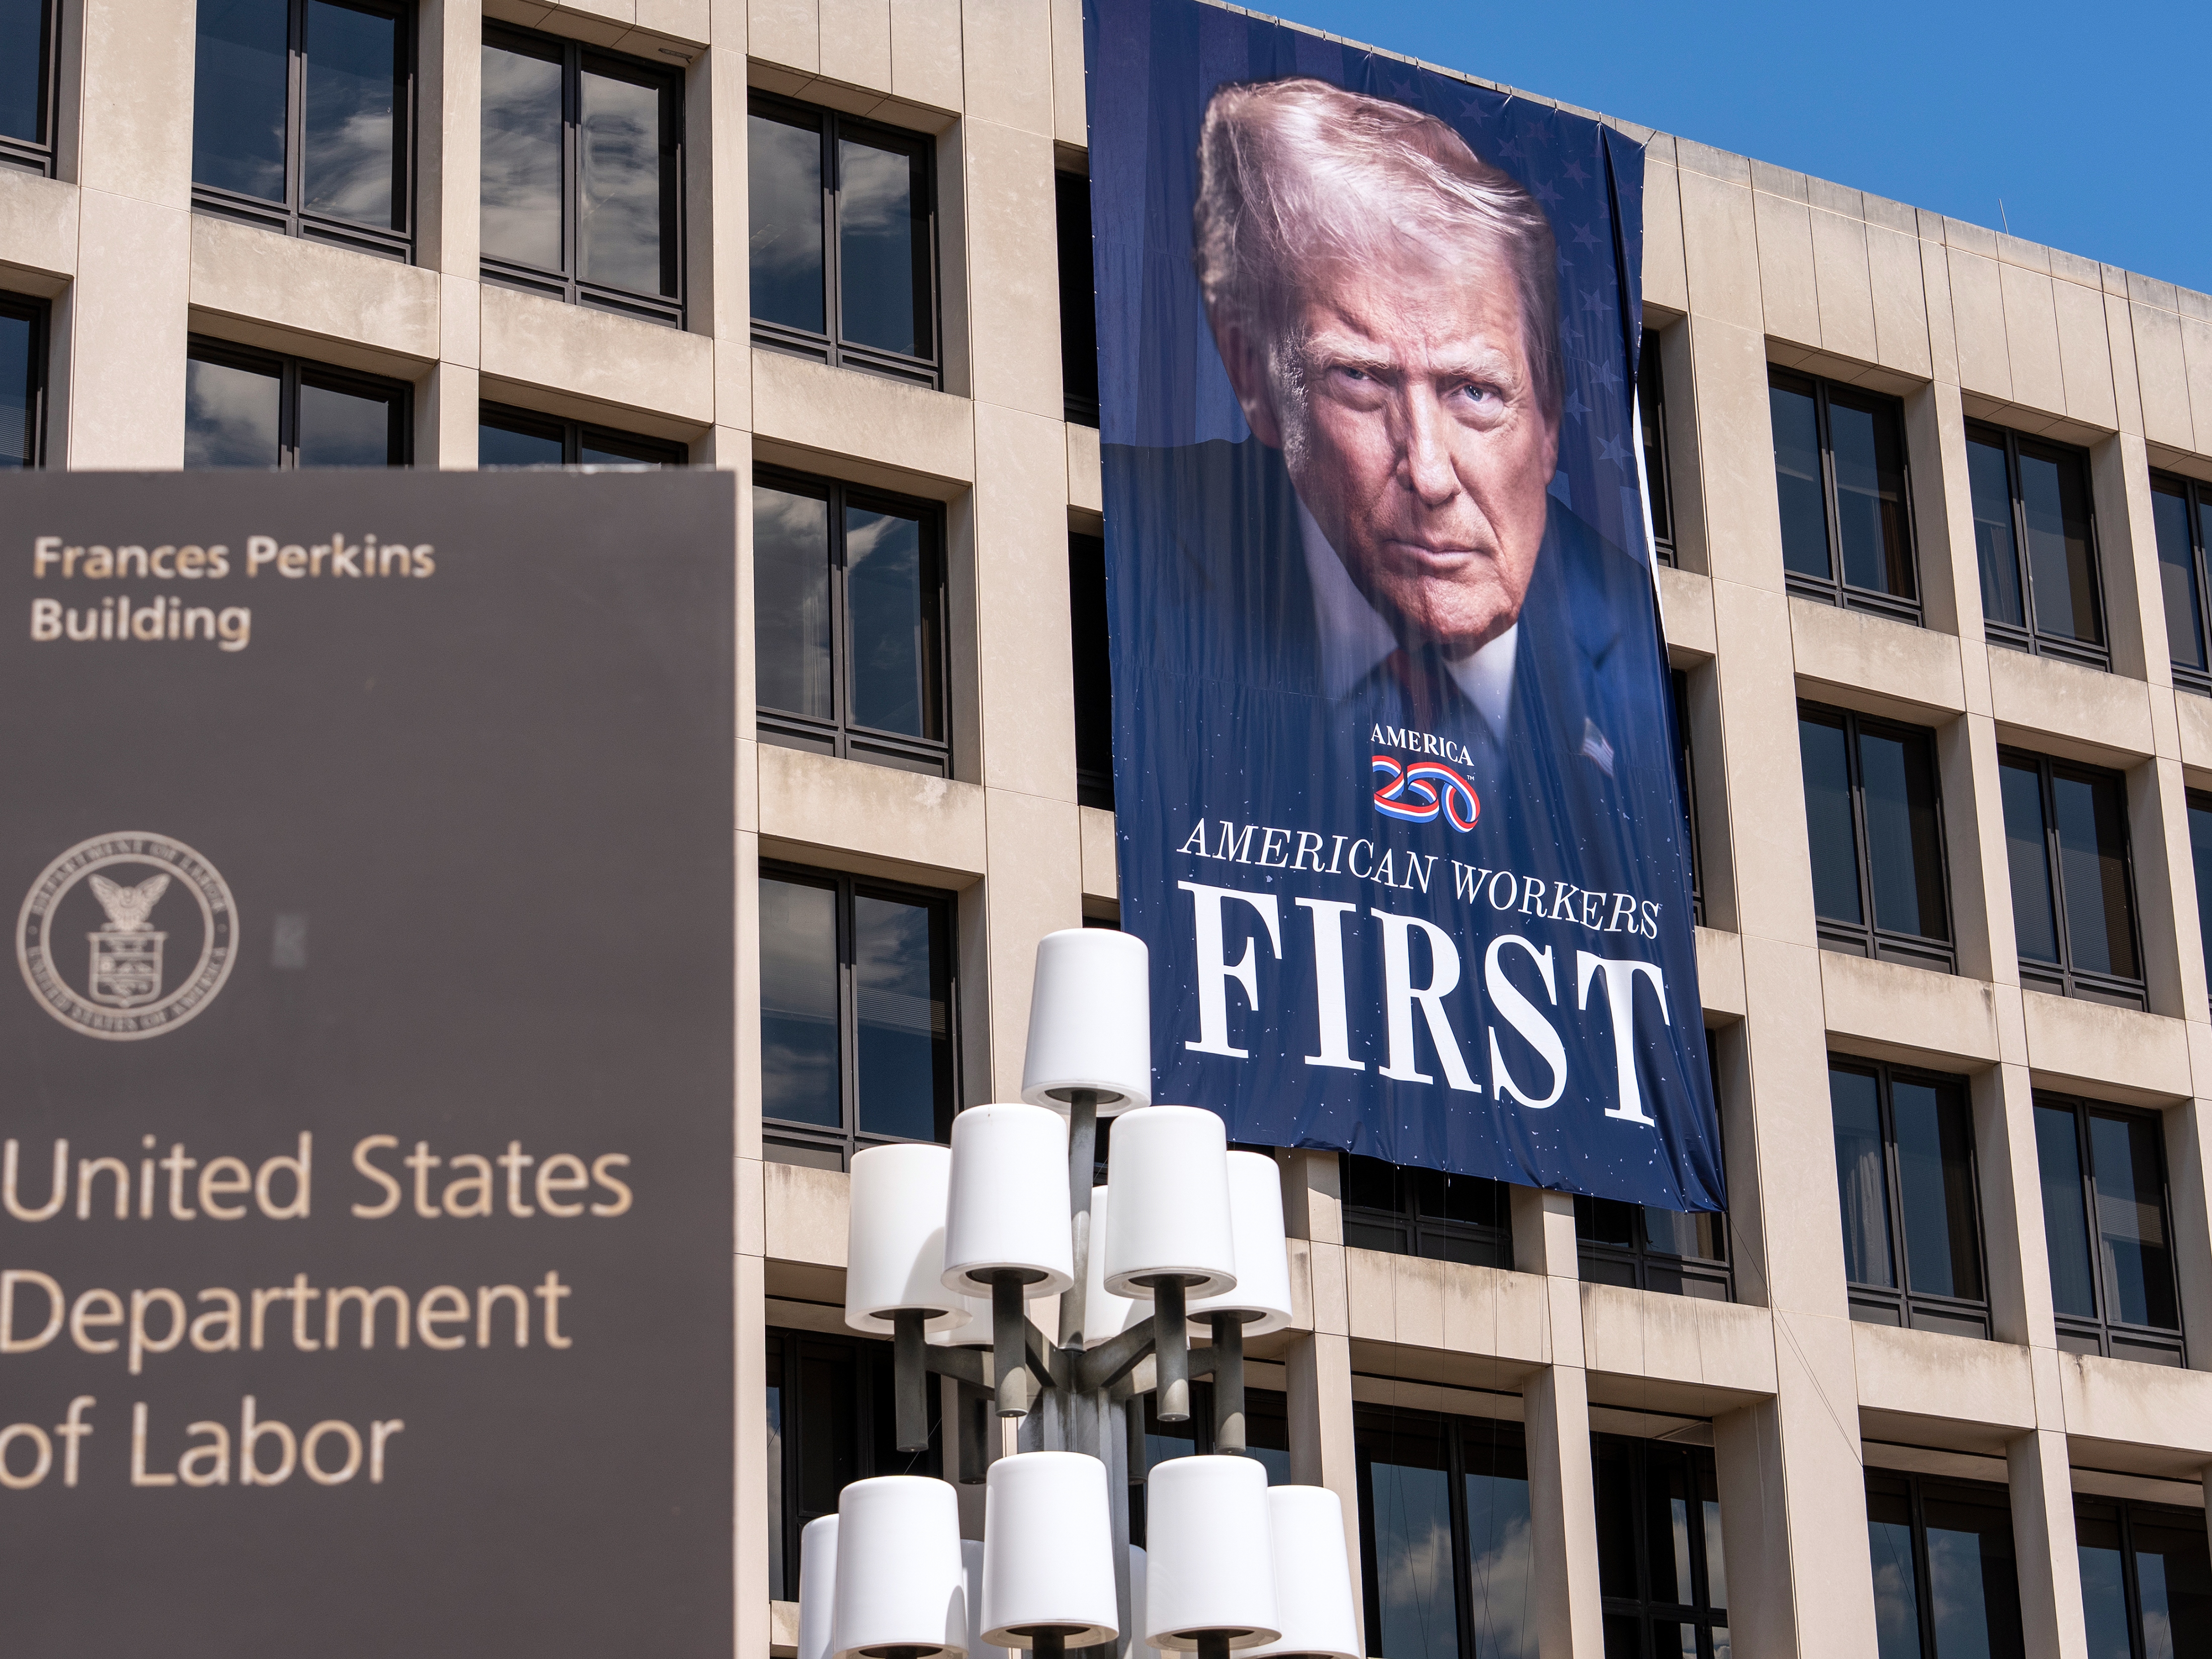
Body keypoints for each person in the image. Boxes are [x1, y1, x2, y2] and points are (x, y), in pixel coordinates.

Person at [1130, 76, 1665, 834]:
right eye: (1360, 378)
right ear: (1253, 377)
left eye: (1474, 392)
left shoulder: (1635, 645)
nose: (1429, 472)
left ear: (1549, 420)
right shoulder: (1137, 544)